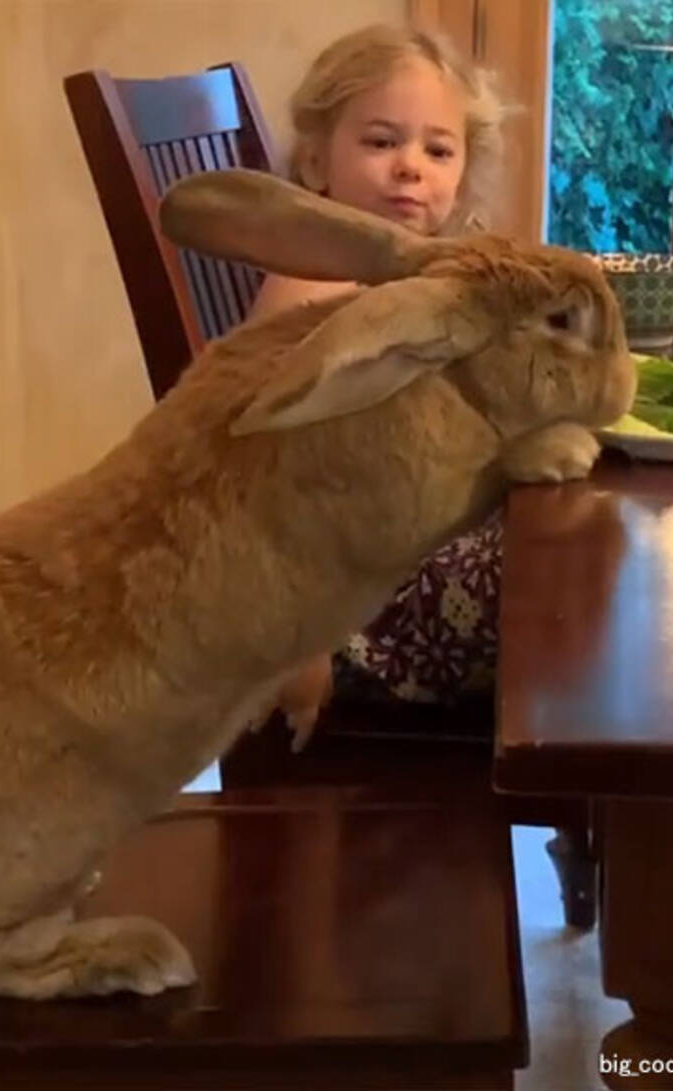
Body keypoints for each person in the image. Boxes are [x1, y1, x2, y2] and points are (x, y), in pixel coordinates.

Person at [252, 23, 509, 742]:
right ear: (314, 161)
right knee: (559, 583)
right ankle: (616, 798)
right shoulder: (308, 286)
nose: (410, 167)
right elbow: (269, 481)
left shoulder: (415, 274)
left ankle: (607, 809)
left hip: (397, 555)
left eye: (437, 149)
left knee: (575, 526)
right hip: (346, 619)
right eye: (380, 141)